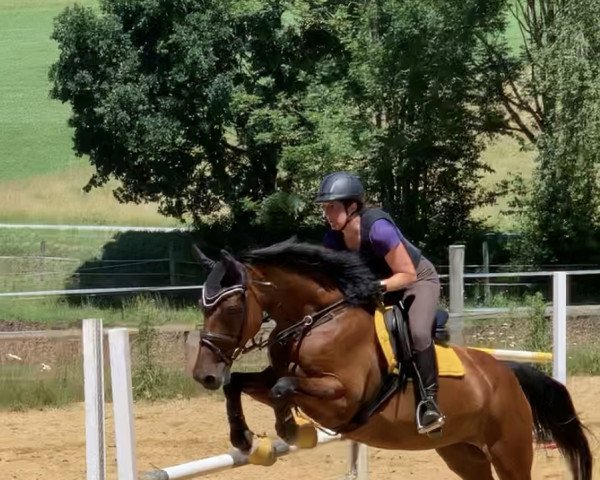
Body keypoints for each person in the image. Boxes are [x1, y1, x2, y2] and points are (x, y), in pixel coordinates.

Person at [315, 171, 445, 435]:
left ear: (352, 207)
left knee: (418, 332)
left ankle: (429, 403)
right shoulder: (333, 239)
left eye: (332, 206)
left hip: (416, 279)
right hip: (379, 287)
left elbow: (406, 274)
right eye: (324, 207)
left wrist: (374, 286)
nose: (326, 213)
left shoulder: (378, 228)